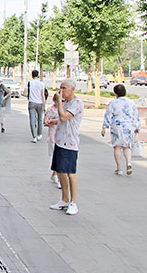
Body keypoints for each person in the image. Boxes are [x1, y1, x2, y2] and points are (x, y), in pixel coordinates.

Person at [49, 79, 84, 215]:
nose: (61, 91)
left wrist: (58, 103)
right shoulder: (67, 103)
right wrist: (53, 121)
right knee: (61, 171)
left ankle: (73, 202)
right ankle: (64, 199)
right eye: (60, 88)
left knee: (70, 173)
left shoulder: (77, 103)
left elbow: (64, 117)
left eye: (64, 88)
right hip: (60, 140)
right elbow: (62, 119)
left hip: (70, 143)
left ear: (72, 89)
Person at [101, 84, 141, 176]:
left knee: (117, 147)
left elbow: (108, 115)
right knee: (127, 146)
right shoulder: (131, 102)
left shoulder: (113, 103)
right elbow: (136, 115)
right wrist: (137, 127)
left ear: (115, 93)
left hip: (117, 125)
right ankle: (129, 163)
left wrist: (104, 127)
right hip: (129, 126)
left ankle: (119, 168)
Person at [43, 92, 62, 189]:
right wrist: (48, 121)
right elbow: (45, 121)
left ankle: (56, 175)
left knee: (59, 158)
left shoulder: (66, 109)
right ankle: (58, 178)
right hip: (53, 136)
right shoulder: (51, 109)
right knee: (57, 157)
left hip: (64, 136)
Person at [25, 70, 47, 142]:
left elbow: (25, 93)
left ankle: (34, 137)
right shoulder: (42, 84)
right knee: (40, 119)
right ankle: (39, 134)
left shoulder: (29, 83)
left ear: (32, 75)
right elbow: (43, 95)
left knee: (32, 120)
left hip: (32, 103)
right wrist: (44, 105)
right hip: (40, 103)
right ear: (38, 75)